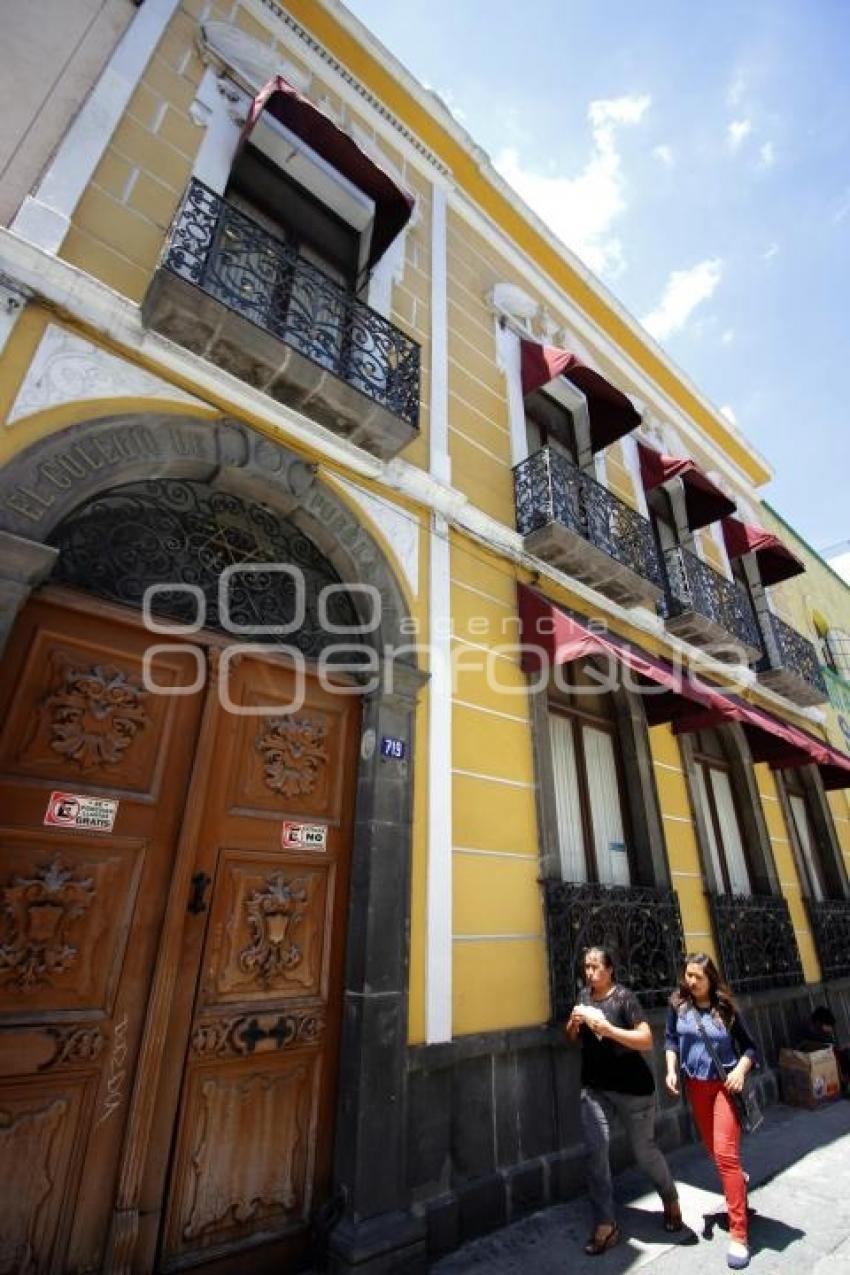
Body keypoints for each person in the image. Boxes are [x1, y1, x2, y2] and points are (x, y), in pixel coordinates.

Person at [566, 945, 682, 1257]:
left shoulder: (624, 998)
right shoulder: (583, 997)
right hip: (595, 1089)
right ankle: (606, 1224)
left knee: (644, 1152)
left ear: (610, 970)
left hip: (633, 1090)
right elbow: (573, 1037)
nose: (589, 973)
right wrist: (575, 1025)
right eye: (586, 967)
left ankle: (670, 1198)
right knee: (596, 1151)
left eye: (595, 967)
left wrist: (609, 1029)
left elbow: (645, 1039)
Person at [665, 953, 758, 1271]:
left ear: (711, 980)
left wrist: (740, 1071)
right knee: (715, 1153)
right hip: (696, 1088)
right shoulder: (678, 1004)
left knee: (727, 1156)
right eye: (687, 975)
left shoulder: (726, 1009)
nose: (690, 982)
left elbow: (750, 1048)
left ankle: (739, 1235)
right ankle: (738, 1184)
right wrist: (671, 1069)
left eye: (697, 977)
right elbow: (670, 1039)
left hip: (723, 1088)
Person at [797, 1005, 850, 1094]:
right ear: (819, 1023)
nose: (830, 1029)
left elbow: (831, 1046)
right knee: (846, 1054)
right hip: (822, 1063)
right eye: (828, 1026)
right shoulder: (811, 1033)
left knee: (846, 1053)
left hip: (830, 1057)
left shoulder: (822, 1032)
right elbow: (824, 1049)